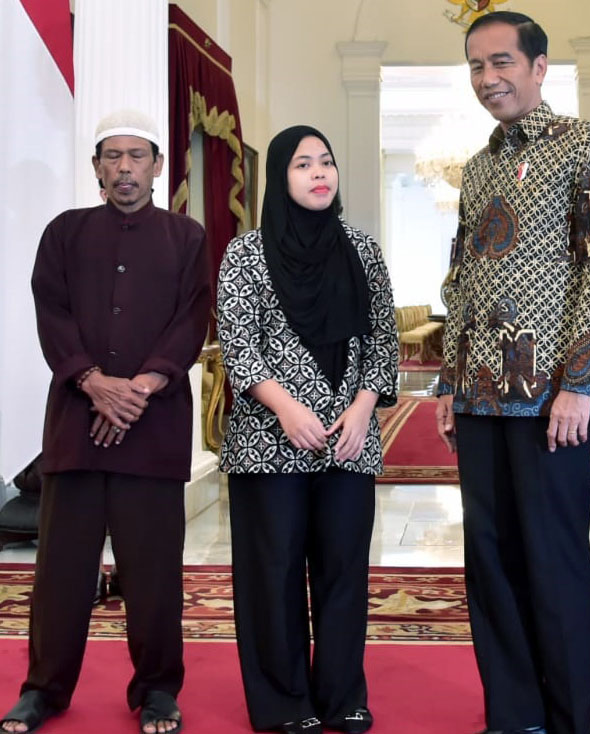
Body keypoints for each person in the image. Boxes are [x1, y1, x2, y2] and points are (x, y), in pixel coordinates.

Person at [433, 11, 590, 734]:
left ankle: (570, 719)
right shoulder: (478, 165)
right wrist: (448, 380)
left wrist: (579, 383)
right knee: (490, 560)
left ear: (539, 67)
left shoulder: (585, 146)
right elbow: (461, 277)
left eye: (502, 62)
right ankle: (513, 716)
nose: (489, 79)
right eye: (477, 66)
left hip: (548, 398)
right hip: (479, 397)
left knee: (554, 561)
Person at [1, 110, 210, 734]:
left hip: (153, 429)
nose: (124, 167)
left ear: (157, 166)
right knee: (61, 570)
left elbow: (191, 319)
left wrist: (139, 388)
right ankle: (43, 690)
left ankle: (156, 692)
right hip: (76, 429)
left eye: (136, 156)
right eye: (112, 156)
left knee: (153, 573)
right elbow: (52, 313)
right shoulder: (64, 233)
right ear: (95, 168)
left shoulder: (187, 237)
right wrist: (94, 383)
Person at [216, 126, 398, 734]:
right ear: (279, 177)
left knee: (345, 572)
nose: (319, 173)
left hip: (349, 439)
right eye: (302, 164)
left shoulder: (362, 249)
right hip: (270, 444)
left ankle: (343, 695)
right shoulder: (245, 253)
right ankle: (283, 702)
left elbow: (381, 336)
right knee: (272, 576)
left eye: (326, 161)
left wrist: (365, 405)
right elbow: (238, 346)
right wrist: (286, 408)